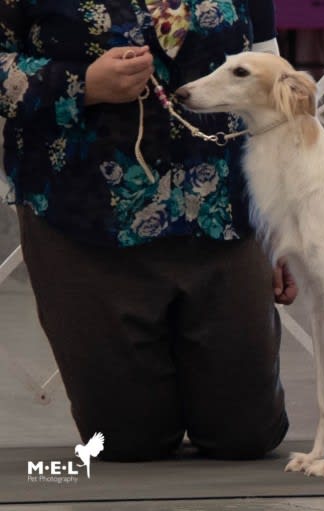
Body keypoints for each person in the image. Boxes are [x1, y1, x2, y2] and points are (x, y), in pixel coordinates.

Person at [0, 0, 296, 461]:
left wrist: (284, 224)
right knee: (129, 443)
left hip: (224, 215)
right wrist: (81, 84)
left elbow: (272, 80)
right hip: (83, 219)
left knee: (246, 437)